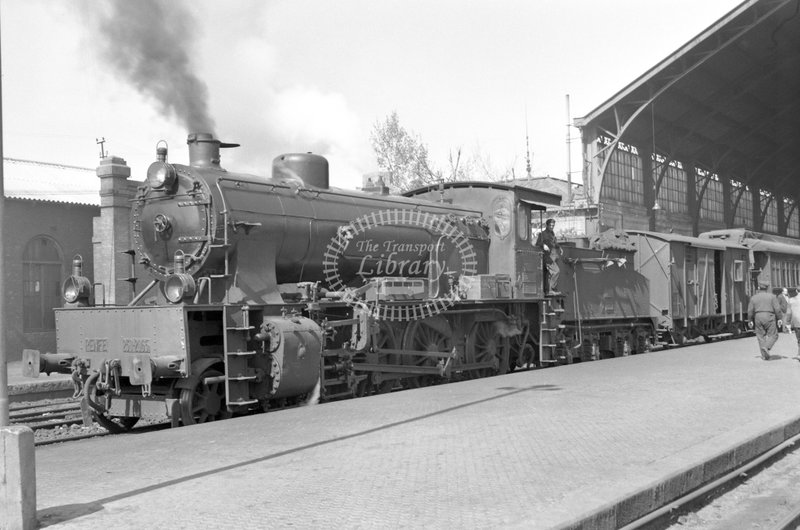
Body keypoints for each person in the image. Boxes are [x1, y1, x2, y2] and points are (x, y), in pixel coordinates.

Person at [747, 283, 784, 360]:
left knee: (760, 336)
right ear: (767, 288)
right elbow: (777, 309)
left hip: (758, 317)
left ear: (758, 288)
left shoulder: (754, 298)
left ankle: (764, 355)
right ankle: (766, 347)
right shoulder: (772, 297)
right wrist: (779, 318)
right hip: (769, 316)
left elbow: (750, 310)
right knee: (774, 335)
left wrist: (750, 320)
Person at [535, 218, 562, 296]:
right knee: (556, 271)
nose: (551, 227)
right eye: (550, 225)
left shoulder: (552, 234)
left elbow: (555, 243)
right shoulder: (542, 234)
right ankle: (551, 289)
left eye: (553, 225)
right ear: (546, 225)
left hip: (553, 257)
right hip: (547, 257)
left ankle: (549, 290)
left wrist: (559, 248)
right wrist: (543, 245)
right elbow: (537, 243)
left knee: (550, 275)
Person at [784, 288, 800, 357]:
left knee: (799, 339)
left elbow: (789, 313)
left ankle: (799, 354)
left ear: (796, 291)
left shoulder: (791, 300)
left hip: (797, 322)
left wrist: (787, 322)